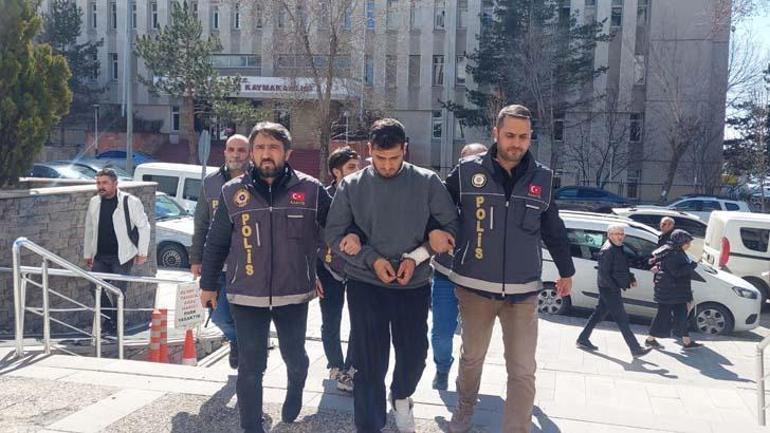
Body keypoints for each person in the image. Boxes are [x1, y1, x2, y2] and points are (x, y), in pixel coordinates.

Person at [445, 104, 575, 433]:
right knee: (472, 358)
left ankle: (516, 428)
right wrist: (440, 236)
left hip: (523, 291)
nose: (516, 143)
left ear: (531, 137)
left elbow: (553, 228)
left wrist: (566, 270)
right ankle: (464, 409)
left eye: (523, 137)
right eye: (510, 135)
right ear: (496, 133)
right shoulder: (466, 171)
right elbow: (441, 209)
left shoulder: (542, 178)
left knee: (522, 369)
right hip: (475, 286)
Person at [325, 118, 459, 433]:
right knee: (369, 363)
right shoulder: (351, 185)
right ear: (369, 150)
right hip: (366, 284)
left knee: (414, 356)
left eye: (394, 158)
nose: (387, 165)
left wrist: (419, 255)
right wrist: (370, 259)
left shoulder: (427, 182)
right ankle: (368, 426)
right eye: (380, 158)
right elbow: (333, 234)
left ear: (405, 150)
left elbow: (451, 228)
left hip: (413, 284)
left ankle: (400, 395)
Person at [200, 122, 332, 433]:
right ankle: (251, 426)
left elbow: (336, 231)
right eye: (259, 147)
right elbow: (216, 241)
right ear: (252, 153)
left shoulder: (311, 190)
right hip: (246, 292)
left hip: (293, 292)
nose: (266, 153)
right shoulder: (232, 192)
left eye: (273, 147)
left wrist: (328, 269)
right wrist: (208, 284)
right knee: (251, 365)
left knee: (295, 357)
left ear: (287, 153)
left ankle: (295, 389)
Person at [430, 142, 488, 391]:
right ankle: (442, 368)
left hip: (480, 278)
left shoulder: (492, 198)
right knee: (442, 332)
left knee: (475, 338)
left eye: (480, 159)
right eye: (468, 161)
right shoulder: (446, 195)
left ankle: (467, 378)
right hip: (446, 273)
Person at [190, 134, 250, 369]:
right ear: (225, 152)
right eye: (231, 149)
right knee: (218, 314)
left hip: (248, 262)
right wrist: (196, 258)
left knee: (244, 313)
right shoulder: (211, 182)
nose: (236, 154)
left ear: (249, 153)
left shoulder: (257, 181)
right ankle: (238, 341)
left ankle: (247, 346)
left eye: (241, 150)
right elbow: (201, 223)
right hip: (217, 262)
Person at [83, 168, 151, 335]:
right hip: (100, 255)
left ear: (115, 184)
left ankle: (117, 325)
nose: (101, 186)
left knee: (118, 291)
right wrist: (88, 253)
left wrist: (142, 252)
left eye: (105, 183)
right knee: (94, 287)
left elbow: (144, 226)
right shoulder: (94, 202)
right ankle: (111, 319)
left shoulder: (130, 201)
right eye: (98, 183)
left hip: (122, 256)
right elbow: (89, 229)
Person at [317, 146, 361, 392]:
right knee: (331, 320)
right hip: (328, 268)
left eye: (358, 166)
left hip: (358, 269)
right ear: (336, 172)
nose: (358, 171)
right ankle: (335, 365)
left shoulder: (366, 195)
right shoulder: (323, 197)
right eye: (351, 167)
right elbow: (310, 236)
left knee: (359, 321)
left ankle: (351, 368)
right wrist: (312, 272)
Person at [576, 225, 652, 357]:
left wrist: (630, 278)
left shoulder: (618, 247)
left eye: (622, 234)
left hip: (611, 287)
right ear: (609, 235)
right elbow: (604, 273)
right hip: (608, 288)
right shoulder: (608, 250)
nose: (620, 236)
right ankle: (635, 349)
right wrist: (614, 288)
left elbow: (622, 266)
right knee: (622, 318)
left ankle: (582, 339)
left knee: (598, 314)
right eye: (617, 234)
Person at [645, 229, 703, 350]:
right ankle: (650, 339)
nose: (689, 245)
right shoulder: (672, 254)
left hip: (676, 290)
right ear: (680, 242)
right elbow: (677, 272)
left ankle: (686, 341)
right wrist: (692, 265)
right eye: (687, 242)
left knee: (681, 314)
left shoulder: (676, 251)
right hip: (669, 291)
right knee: (662, 315)